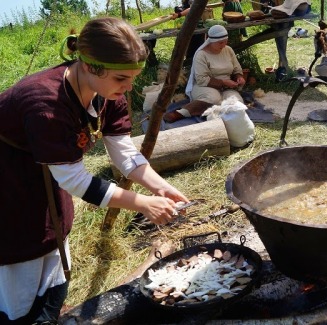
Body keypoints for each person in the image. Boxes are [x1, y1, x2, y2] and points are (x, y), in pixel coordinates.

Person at [0, 17, 189, 324]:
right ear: (89, 66)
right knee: (21, 261)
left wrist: (159, 186)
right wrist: (141, 203)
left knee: (54, 244)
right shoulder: (45, 103)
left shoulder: (106, 91)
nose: (128, 87)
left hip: (46, 177)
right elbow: (75, 180)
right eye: (121, 79)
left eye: (132, 78)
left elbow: (124, 152)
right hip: (8, 184)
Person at [164, 25, 246, 123]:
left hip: (227, 87)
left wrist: (239, 77)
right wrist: (224, 82)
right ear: (210, 41)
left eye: (225, 41)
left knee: (237, 102)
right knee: (214, 99)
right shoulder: (201, 54)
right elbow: (202, 79)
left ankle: (219, 114)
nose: (223, 45)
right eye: (220, 42)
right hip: (204, 86)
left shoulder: (228, 50)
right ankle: (182, 112)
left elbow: (237, 69)